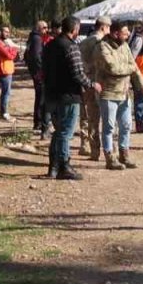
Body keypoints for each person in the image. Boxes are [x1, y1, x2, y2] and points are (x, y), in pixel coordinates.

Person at [42, 16, 101, 180]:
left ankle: (53, 168)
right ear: (75, 29)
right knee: (65, 133)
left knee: (58, 131)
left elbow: (43, 69)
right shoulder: (71, 47)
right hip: (68, 96)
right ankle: (64, 166)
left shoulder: (49, 45)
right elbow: (77, 73)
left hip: (51, 95)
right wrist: (91, 84)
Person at [95, 22, 143, 171]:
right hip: (108, 94)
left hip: (124, 94)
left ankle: (124, 155)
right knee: (109, 128)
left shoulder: (125, 45)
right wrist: (130, 67)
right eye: (125, 33)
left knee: (126, 126)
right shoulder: (103, 46)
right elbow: (113, 67)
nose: (127, 36)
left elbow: (134, 67)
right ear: (115, 33)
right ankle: (110, 157)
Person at [78, 17, 112, 161]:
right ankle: (107, 149)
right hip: (98, 83)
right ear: (104, 27)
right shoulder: (102, 43)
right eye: (109, 28)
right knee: (103, 117)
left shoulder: (83, 42)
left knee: (87, 116)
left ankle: (89, 147)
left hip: (85, 82)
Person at [26, 20, 49, 136]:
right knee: (41, 99)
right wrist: (41, 71)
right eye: (44, 27)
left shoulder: (32, 38)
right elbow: (36, 57)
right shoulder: (37, 39)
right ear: (39, 28)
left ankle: (37, 121)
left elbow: (27, 56)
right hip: (39, 74)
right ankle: (38, 122)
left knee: (39, 97)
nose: (46, 30)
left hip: (35, 72)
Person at [0, 25, 19, 122]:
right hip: (3, 71)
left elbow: (10, 54)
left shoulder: (3, 42)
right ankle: (3, 114)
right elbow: (9, 55)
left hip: (7, 70)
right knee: (6, 93)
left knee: (6, 92)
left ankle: (3, 113)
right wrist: (14, 49)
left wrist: (11, 49)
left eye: (8, 32)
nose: (7, 33)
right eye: (5, 31)